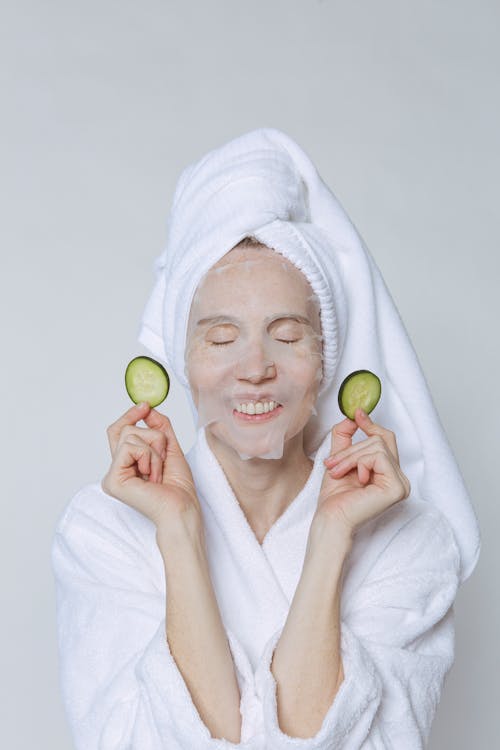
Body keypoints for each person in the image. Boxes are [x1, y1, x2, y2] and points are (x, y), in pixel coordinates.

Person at [52, 128, 481, 749]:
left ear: (326, 362)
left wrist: (332, 535)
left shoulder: (410, 544)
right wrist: (178, 530)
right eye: (221, 338)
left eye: (286, 335)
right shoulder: (101, 531)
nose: (255, 368)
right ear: (185, 363)